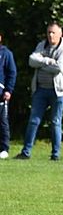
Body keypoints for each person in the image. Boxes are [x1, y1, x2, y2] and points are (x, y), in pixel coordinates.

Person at [15, 22, 63, 161]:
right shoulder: (42, 45)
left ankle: (55, 155)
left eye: (53, 32)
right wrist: (48, 61)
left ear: (60, 34)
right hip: (40, 90)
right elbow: (31, 60)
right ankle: (26, 152)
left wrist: (42, 64)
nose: (50, 35)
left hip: (58, 92)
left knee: (55, 122)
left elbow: (59, 68)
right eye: (48, 32)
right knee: (33, 121)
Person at [0, 31, 17, 159]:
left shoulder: (6, 54)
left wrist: (8, 90)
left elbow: (12, 73)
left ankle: (4, 148)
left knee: (2, 122)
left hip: (1, 94)